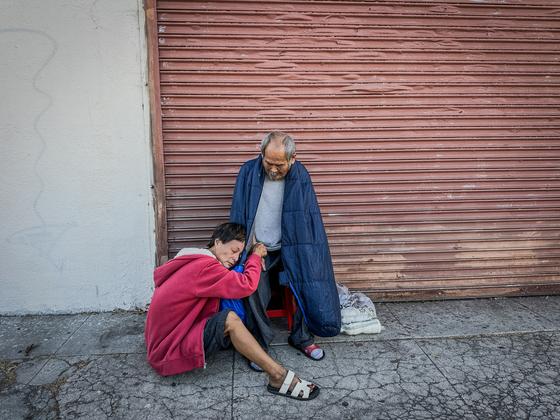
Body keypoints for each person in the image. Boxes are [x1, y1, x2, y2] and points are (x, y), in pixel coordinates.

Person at [144, 222, 320, 401]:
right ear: (218, 242)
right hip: (167, 350)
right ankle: (278, 376)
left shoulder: (191, 260)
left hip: (162, 339)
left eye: (239, 254)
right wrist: (256, 255)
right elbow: (246, 285)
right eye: (233, 250)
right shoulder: (205, 267)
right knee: (230, 320)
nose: (236, 258)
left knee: (226, 315)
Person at [230, 131, 341, 371]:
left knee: (307, 280)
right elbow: (239, 218)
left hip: (292, 244)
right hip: (259, 246)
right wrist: (252, 247)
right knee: (253, 286)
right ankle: (258, 343)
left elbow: (308, 219)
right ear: (262, 155)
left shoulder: (300, 175)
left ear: (292, 159)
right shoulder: (248, 172)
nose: (272, 169)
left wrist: (305, 254)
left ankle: (302, 338)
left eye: (279, 165)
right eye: (268, 162)